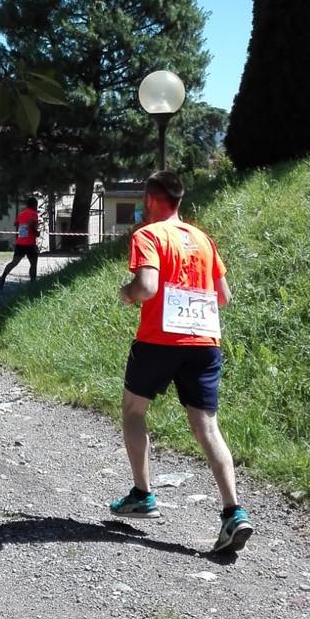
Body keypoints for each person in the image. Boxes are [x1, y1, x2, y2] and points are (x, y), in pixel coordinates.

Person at [110, 169, 253, 554]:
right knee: (207, 426)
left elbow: (147, 287)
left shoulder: (148, 235)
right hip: (205, 341)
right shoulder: (203, 239)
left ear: (151, 199)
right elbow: (223, 295)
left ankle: (142, 494)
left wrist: (127, 294)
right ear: (180, 199)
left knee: (134, 410)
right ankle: (233, 512)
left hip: (159, 340)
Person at [0, 196, 41, 288]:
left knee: (14, 262)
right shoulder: (34, 213)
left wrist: (22, 231)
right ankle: (33, 283)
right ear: (34, 205)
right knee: (33, 264)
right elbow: (31, 224)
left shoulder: (21, 213)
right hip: (30, 243)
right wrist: (36, 233)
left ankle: (3, 277)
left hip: (20, 242)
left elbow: (16, 224)